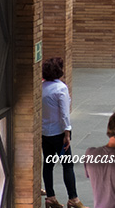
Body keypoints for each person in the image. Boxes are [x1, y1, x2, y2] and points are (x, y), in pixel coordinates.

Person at [42, 57, 88, 208]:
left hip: (44, 133)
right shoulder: (60, 88)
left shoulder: (41, 87)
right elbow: (64, 114)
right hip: (59, 133)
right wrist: (67, 133)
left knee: (48, 164)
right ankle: (73, 199)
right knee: (67, 165)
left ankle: (50, 197)